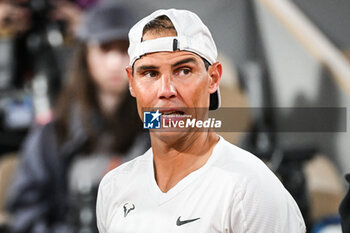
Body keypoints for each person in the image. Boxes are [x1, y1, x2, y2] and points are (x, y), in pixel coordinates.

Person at [96, 9, 306, 233]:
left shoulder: (250, 190)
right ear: (131, 82)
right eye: (150, 74)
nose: (166, 91)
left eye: (183, 71)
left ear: (213, 79)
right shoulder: (114, 188)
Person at [6, 2, 149, 233]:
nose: (115, 62)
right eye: (104, 48)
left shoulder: (158, 128)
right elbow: (26, 215)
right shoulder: (54, 132)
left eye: (125, 50)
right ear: (86, 55)